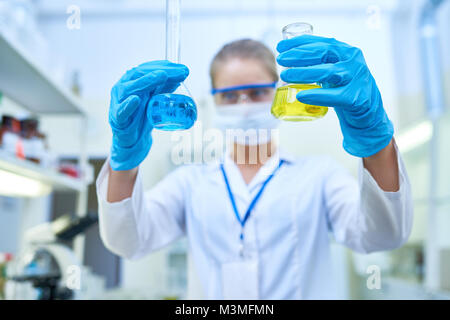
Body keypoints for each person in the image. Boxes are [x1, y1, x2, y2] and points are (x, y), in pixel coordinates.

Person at [96, 35, 413, 299]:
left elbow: (382, 236)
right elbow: (128, 241)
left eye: (257, 92)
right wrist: (125, 159)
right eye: (230, 96)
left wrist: (376, 143)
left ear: (279, 95)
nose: (244, 105)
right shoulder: (189, 182)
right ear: (214, 102)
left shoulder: (319, 175)